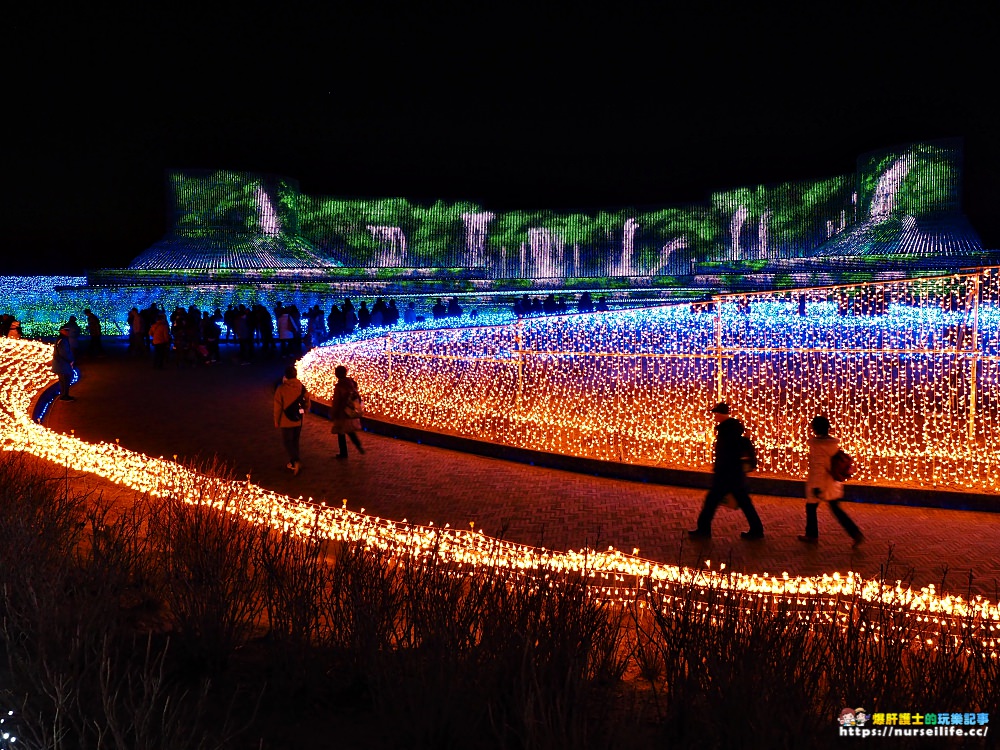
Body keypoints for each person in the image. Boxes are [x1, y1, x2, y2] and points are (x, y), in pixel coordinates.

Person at [689, 402, 765, 540]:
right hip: (734, 475)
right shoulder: (731, 429)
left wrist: (720, 468)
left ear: (719, 414)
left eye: (715, 414)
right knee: (744, 503)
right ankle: (757, 530)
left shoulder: (726, 432)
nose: (714, 416)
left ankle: (703, 530)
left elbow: (726, 453)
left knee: (711, 502)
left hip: (726, 475)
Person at [799, 415, 864, 546]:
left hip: (821, 483)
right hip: (833, 483)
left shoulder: (817, 446)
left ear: (815, 429)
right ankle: (855, 533)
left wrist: (816, 487)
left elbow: (818, 468)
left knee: (811, 507)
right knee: (836, 509)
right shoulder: (833, 444)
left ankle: (812, 535)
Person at [273, 364, 310, 475]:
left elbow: (277, 407)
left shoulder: (281, 389)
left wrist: (276, 420)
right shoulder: (302, 387)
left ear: (286, 376)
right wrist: (305, 413)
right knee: (295, 441)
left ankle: (295, 461)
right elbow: (307, 401)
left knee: (287, 442)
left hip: (286, 419)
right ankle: (293, 461)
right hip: (298, 419)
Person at [331, 364, 365, 459]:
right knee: (350, 431)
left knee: (341, 433)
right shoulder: (351, 384)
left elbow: (337, 401)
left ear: (337, 374)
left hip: (342, 413)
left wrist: (333, 413)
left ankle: (343, 453)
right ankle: (358, 445)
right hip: (350, 411)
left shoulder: (339, 386)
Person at [52, 326, 76, 401]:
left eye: (68, 330)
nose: (68, 332)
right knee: (65, 381)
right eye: (66, 330)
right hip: (62, 364)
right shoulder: (62, 340)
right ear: (61, 331)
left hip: (61, 364)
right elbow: (64, 353)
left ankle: (64, 395)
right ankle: (64, 396)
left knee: (63, 381)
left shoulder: (61, 339)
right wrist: (70, 360)